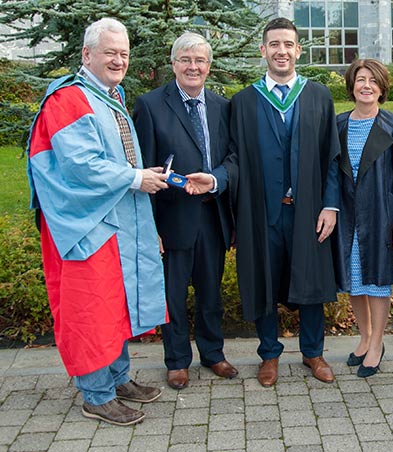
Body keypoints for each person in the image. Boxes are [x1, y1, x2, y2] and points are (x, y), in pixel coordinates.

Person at [26, 18, 168, 426]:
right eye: (110, 52)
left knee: (115, 305)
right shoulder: (69, 99)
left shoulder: (108, 95)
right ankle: (96, 394)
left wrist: (139, 179)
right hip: (85, 227)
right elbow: (80, 166)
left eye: (123, 53)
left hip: (114, 220)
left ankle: (118, 378)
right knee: (91, 310)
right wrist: (136, 177)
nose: (119, 60)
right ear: (87, 54)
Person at [226, 17, 340, 387]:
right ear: (263, 50)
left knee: (310, 278)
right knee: (264, 279)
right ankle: (269, 354)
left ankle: (313, 352)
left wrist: (330, 205)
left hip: (308, 210)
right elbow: (234, 161)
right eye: (274, 44)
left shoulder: (318, 95)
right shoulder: (243, 102)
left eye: (288, 44)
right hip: (261, 212)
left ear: (298, 50)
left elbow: (332, 158)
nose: (281, 51)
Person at [132, 32, 238, 390]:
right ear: (174, 63)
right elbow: (143, 166)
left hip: (212, 214)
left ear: (209, 66)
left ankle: (213, 353)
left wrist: (215, 178)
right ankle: (177, 361)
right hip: (171, 217)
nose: (194, 67)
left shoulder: (224, 106)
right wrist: (150, 226)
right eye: (186, 60)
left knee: (211, 292)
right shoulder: (150, 105)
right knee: (173, 295)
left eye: (200, 60)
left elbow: (234, 160)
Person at [332, 59, 393, 378]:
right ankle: (364, 337)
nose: (366, 85)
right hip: (347, 214)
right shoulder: (338, 124)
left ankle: (378, 342)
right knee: (354, 280)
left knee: (377, 282)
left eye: (373, 81)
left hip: (381, 213)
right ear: (352, 85)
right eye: (360, 79)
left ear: (382, 87)